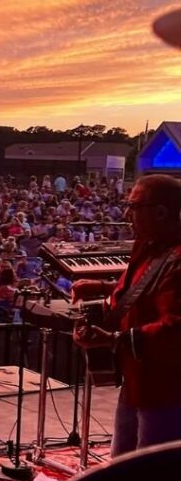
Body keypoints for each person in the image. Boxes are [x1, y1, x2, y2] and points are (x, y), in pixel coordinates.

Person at [73, 174, 181, 457]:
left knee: (151, 471)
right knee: (122, 463)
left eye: (134, 206)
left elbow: (175, 328)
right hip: (137, 377)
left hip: (165, 387)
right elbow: (143, 288)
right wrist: (102, 287)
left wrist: (113, 339)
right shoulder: (149, 244)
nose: (127, 213)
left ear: (160, 211)